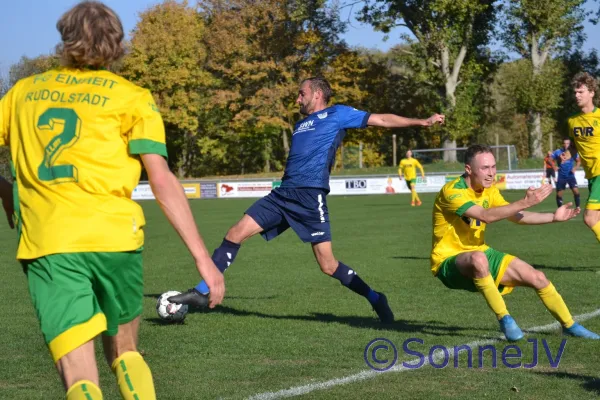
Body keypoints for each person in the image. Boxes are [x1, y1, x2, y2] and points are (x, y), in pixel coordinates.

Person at [0, 2, 224, 399]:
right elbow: (162, 179)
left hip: (51, 243)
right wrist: (203, 259)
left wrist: (7, 191)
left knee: (80, 377)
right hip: (117, 240)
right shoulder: (132, 97)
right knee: (125, 353)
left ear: (65, 38)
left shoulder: (21, 93)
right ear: (117, 44)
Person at [169, 77, 445, 323]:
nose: (297, 98)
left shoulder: (338, 114)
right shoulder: (300, 124)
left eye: (301, 93)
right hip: (282, 194)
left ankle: (375, 298)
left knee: (327, 265)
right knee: (234, 233)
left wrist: (421, 121)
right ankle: (203, 291)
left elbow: (382, 120)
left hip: (310, 197)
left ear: (317, 94)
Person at [431, 144, 599, 341]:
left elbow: (515, 216)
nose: (491, 173)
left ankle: (570, 326)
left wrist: (553, 217)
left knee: (537, 277)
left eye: (493, 167)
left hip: (479, 251)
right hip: (447, 261)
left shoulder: (489, 190)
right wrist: (525, 201)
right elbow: (486, 216)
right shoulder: (452, 191)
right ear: (468, 169)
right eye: (485, 168)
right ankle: (505, 319)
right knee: (478, 258)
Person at [567, 72, 600, 242]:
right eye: (575, 92)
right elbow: (574, 146)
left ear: (592, 92)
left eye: (581, 92)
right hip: (593, 176)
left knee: (589, 218)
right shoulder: (573, 121)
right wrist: (568, 154)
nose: (577, 95)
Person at [552, 138, 581, 209]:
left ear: (570, 144)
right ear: (562, 144)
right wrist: (554, 166)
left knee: (576, 191)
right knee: (559, 194)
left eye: (567, 143)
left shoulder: (573, 152)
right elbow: (550, 159)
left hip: (570, 175)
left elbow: (578, 161)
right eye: (564, 143)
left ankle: (578, 207)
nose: (566, 145)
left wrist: (575, 168)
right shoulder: (557, 152)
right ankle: (560, 209)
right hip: (561, 176)